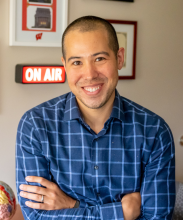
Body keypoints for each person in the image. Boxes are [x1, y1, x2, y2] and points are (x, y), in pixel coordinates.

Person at [16, 16, 175, 220]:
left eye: (99, 58)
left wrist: (73, 205)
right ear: (65, 65)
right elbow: (36, 217)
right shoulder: (35, 125)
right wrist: (122, 212)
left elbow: (157, 218)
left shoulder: (155, 131)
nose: (89, 74)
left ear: (119, 58)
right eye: (77, 62)